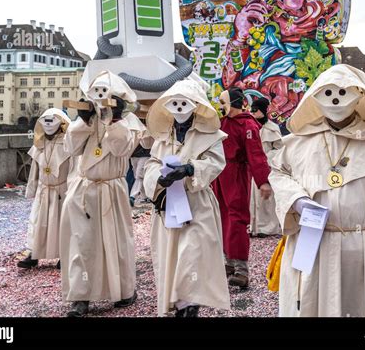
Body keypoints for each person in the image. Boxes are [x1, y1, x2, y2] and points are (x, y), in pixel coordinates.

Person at [269, 64, 365, 317]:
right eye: (328, 92)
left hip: (363, 251)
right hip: (313, 243)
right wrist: (296, 200)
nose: (335, 100)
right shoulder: (298, 143)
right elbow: (279, 174)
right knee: (309, 307)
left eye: (343, 92)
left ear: (360, 96)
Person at [60, 71, 144, 317]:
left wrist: (115, 120)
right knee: (81, 243)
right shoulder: (87, 120)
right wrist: (82, 121)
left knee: (116, 242)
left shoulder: (129, 122)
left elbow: (121, 150)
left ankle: (124, 289)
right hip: (84, 188)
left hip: (112, 187)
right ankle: (81, 295)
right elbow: (70, 148)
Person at [143, 79, 230, 317]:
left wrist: (190, 169)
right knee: (171, 255)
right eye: (174, 104)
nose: (179, 108)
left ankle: (190, 303)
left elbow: (215, 162)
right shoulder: (162, 138)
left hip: (196, 204)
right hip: (168, 205)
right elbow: (151, 164)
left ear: (196, 105)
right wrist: (158, 179)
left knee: (192, 254)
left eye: (184, 103)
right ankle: (179, 302)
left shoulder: (210, 136)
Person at [212, 87, 272, 288]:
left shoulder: (248, 124)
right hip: (220, 174)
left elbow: (255, 153)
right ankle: (228, 261)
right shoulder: (223, 122)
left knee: (237, 217)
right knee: (221, 215)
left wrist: (262, 180)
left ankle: (241, 268)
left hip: (236, 174)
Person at [17, 108, 71, 269]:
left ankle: (64, 254)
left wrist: (73, 191)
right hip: (44, 189)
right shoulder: (39, 143)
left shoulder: (68, 144)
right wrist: (32, 189)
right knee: (38, 223)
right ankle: (34, 254)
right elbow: (35, 169)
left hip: (62, 191)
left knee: (61, 224)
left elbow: (74, 169)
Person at [249, 97, 283, 238]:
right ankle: (254, 226)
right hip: (252, 168)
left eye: (255, 109)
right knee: (252, 198)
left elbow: (279, 149)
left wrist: (267, 158)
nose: (252, 112)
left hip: (267, 168)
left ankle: (268, 227)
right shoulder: (250, 126)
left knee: (266, 199)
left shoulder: (272, 129)